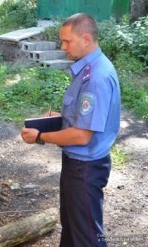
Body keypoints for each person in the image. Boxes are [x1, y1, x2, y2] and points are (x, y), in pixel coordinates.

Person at [21, 13, 121, 247]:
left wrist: (40, 136)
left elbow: (82, 135)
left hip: (85, 169)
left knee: (87, 236)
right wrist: (63, 118)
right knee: (73, 226)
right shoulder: (90, 69)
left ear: (86, 39)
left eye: (67, 41)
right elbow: (84, 119)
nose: (62, 46)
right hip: (78, 165)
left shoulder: (96, 77)